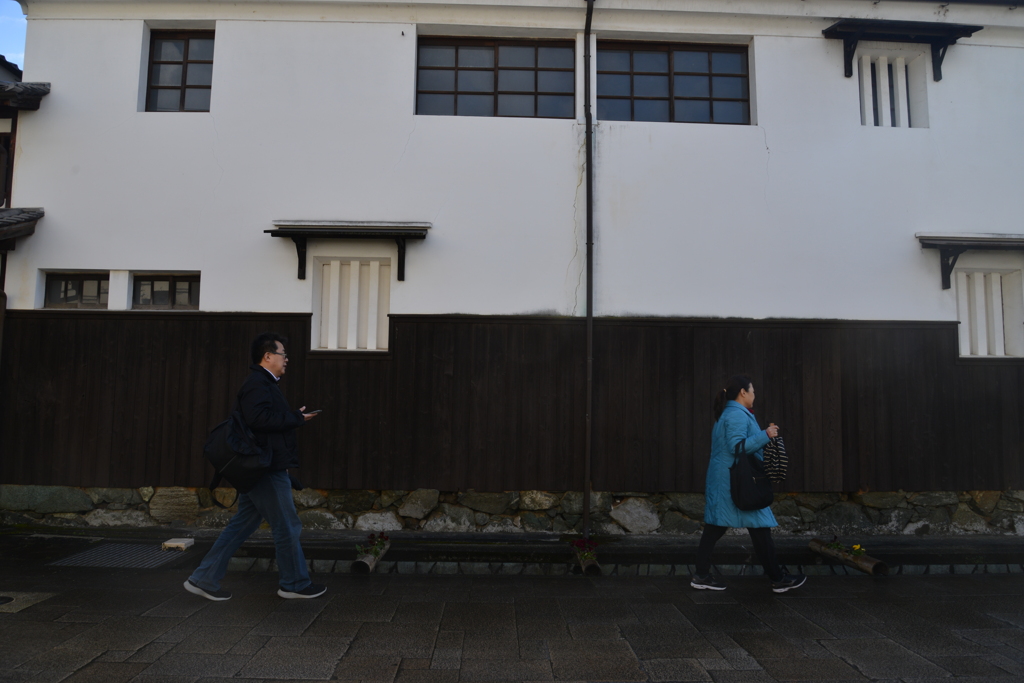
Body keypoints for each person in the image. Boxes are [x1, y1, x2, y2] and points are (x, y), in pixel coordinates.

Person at [185, 332, 323, 601]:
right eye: (283, 354)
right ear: (268, 356)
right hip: (264, 469)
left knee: (242, 524)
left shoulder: (264, 384)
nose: (286, 360)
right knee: (287, 525)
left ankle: (203, 578)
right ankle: (294, 583)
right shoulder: (258, 383)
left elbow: (262, 422)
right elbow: (258, 419)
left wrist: (293, 417)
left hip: (263, 466)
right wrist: (295, 417)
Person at [690, 374, 806, 594]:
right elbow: (737, 447)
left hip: (730, 480)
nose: (754, 395)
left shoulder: (732, 413)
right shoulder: (736, 415)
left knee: (723, 527)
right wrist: (766, 434)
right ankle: (777, 578)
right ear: (743, 392)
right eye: (752, 390)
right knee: (753, 526)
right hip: (736, 483)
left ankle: (702, 575)